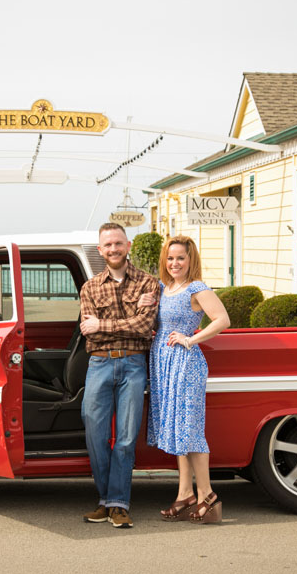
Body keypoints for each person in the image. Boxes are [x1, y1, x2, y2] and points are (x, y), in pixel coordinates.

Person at [138, 235, 230, 524]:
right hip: (164, 364)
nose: (174, 263)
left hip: (186, 363)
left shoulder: (197, 287)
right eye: (170, 258)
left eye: (180, 258)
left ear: (191, 260)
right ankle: (184, 493)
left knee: (189, 428)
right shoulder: (165, 288)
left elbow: (222, 320)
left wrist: (191, 339)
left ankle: (207, 495)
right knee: (177, 429)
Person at [79, 222, 159, 529]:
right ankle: (105, 500)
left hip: (133, 364)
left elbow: (144, 327)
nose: (113, 249)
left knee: (125, 438)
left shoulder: (148, 283)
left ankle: (118, 504)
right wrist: (127, 321)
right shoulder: (90, 287)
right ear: (100, 250)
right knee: (95, 435)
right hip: (98, 364)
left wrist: (104, 325)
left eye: (118, 243)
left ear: (128, 246)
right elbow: (90, 334)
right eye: (107, 245)